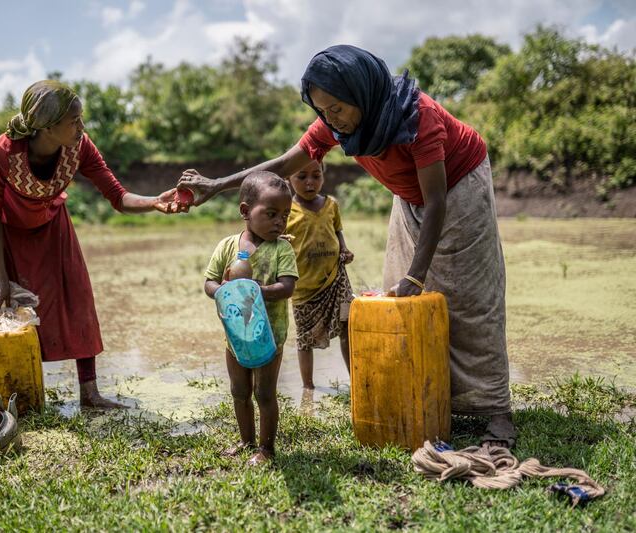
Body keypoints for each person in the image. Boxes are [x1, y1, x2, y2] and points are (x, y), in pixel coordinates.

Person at [179, 45, 516, 447]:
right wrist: (216, 186)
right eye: (322, 110)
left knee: (469, 298)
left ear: (362, 93)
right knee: (401, 299)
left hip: (458, 187)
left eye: (336, 108)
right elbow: (283, 164)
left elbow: (438, 198)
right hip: (409, 195)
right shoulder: (338, 126)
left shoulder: (418, 117)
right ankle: (435, 396)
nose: (329, 119)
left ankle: (495, 411)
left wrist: (417, 272)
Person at [0, 80, 183, 409]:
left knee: (78, 295)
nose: (81, 127)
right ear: (47, 126)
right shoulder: (0, 153)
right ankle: (14, 395)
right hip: (5, 231)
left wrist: (154, 201)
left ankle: (90, 393)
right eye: (74, 120)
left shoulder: (80, 147)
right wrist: (0, 278)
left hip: (51, 223)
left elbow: (118, 196)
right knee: (6, 309)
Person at [204, 171, 298, 465]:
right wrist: (223, 292)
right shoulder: (228, 247)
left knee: (265, 392)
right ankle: (246, 441)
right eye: (271, 214)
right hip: (236, 336)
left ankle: (267, 449)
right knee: (240, 390)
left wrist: (257, 291)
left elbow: (287, 287)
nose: (279, 222)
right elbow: (209, 282)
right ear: (246, 211)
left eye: (284, 215)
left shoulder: (281, 248)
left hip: (270, 335)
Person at [285, 160, 354, 390]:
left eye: (316, 176)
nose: (309, 182)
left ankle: (354, 379)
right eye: (301, 176)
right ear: (289, 179)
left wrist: (343, 249)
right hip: (304, 287)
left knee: (347, 326)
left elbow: (337, 230)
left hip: (336, 279)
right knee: (305, 340)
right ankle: (308, 387)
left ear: (323, 176)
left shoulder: (331, 205)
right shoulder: (286, 210)